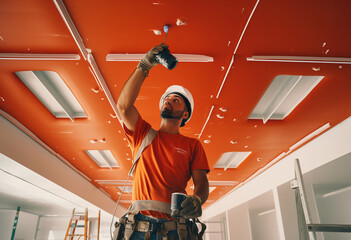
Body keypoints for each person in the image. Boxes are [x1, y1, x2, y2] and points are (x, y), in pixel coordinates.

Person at [116, 44, 210, 240]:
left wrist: (197, 199)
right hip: (137, 227)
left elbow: (201, 183)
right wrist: (144, 65)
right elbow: (124, 107)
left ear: (185, 114)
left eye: (176, 100)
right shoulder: (143, 133)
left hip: (175, 228)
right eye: (168, 98)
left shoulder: (192, 145)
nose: (169, 100)